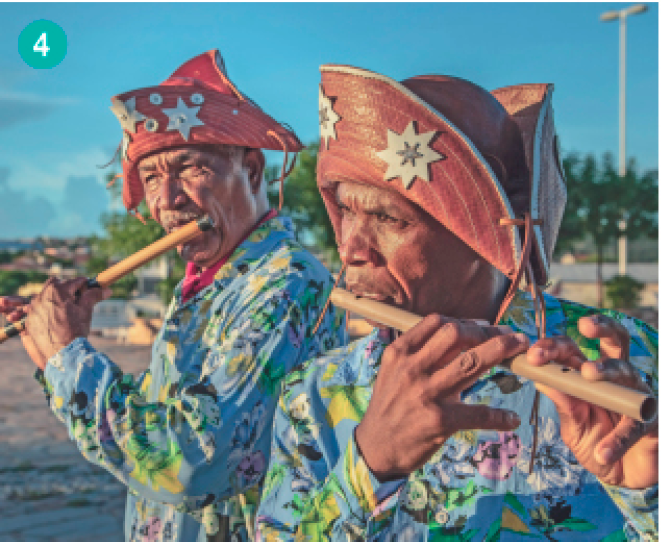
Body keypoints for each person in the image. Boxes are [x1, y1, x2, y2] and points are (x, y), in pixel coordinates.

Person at [255, 65, 658, 540]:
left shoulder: (631, 358)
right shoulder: (317, 395)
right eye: (345, 210)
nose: (349, 250)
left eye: (387, 217)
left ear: (481, 239)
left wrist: (646, 496)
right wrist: (369, 467)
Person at [0, 50, 347, 542]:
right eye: (151, 178)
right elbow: (163, 413)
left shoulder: (287, 283)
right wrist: (50, 349)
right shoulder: (203, 281)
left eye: (189, 169)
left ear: (251, 172)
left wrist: (69, 360)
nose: (167, 199)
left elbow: (192, 461)